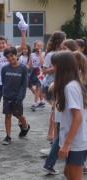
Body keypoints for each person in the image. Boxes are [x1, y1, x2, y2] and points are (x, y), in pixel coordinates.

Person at [52, 51, 87, 180]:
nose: (53, 69)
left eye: (55, 65)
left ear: (62, 67)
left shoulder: (70, 87)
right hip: (76, 140)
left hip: (76, 142)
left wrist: (67, 143)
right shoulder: (74, 85)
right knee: (68, 173)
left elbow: (78, 117)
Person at [0, 46, 30, 145]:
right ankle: (8, 136)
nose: (10, 58)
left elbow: (24, 84)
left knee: (18, 115)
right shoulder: (4, 69)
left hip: (18, 97)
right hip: (7, 96)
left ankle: (25, 126)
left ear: (16, 54)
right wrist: (5, 94)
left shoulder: (23, 68)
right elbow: (4, 82)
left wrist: (20, 97)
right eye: (7, 57)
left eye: (12, 56)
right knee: (8, 115)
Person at [42, 31, 66, 141]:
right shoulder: (51, 55)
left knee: (55, 110)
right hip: (50, 85)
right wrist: (57, 67)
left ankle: (52, 135)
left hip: (60, 84)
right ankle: (52, 135)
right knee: (55, 110)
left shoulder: (64, 53)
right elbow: (45, 70)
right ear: (60, 41)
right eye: (64, 39)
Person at [27, 40, 45, 111]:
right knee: (30, 85)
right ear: (35, 46)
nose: (39, 47)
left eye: (40, 46)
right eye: (37, 45)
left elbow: (43, 63)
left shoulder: (44, 54)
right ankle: (42, 100)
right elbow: (29, 64)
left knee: (38, 86)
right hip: (33, 71)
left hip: (40, 71)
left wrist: (40, 54)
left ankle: (35, 103)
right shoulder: (32, 55)